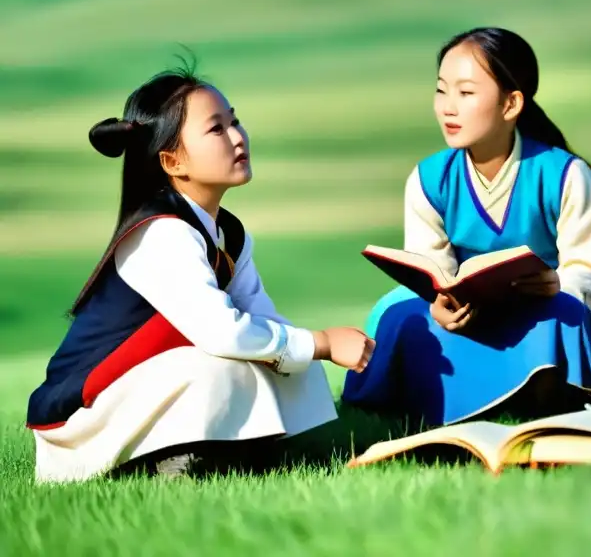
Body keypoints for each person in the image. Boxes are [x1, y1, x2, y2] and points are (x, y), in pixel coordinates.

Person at [26, 63, 375, 482]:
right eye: (216, 129)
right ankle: (169, 461)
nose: (237, 136)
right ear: (173, 161)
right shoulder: (160, 235)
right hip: (81, 420)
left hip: (143, 388)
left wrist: (310, 349)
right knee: (222, 366)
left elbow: (261, 320)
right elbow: (223, 333)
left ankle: (260, 452)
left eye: (236, 121)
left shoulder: (228, 233)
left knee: (289, 360)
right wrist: (320, 342)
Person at [343, 27, 591, 426]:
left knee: (564, 314)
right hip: (464, 314)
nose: (447, 107)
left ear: (511, 103)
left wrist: (558, 284)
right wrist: (440, 305)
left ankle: (523, 391)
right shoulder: (430, 179)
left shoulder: (565, 174)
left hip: (538, 310)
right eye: (441, 90)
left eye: (465, 93)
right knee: (398, 314)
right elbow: (430, 267)